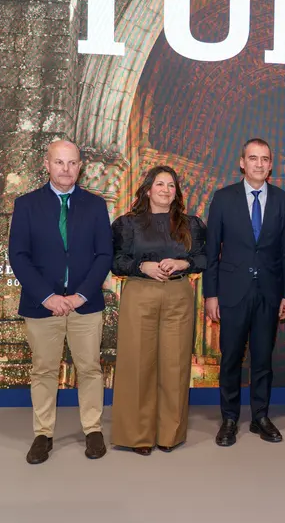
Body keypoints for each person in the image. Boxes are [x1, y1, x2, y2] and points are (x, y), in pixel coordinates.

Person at [8, 140, 113, 465]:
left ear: (80, 166)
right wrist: (48, 296)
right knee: (44, 370)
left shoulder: (96, 205)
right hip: (42, 305)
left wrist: (80, 295)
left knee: (90, 369)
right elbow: (19, 256)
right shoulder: (26, 205)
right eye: (59, 162)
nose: (65, 169)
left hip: (86, 304)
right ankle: (43, 434)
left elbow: (104, 255)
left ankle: (93, 429)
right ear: (47, 164)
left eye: (71, 163)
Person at [203, 138, 285, 447]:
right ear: (242, 162)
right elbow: (211, 250)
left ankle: (260, 417)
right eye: (252, 158)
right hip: (232, 293)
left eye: (265, 159)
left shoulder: (284, 201)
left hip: (269, 293)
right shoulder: (223, 198)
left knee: (262, 359)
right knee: (230, 357)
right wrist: (211, 295)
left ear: (271, 165)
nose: (258, 163)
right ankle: (229, 418)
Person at [110, 166, 207, 455]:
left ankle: (169, 433)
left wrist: (183, 264)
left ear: (177, 192)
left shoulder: (191, 224)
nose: (165, 190)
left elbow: (203, 257)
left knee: (174, 365)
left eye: (171, 186)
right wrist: (142, 266)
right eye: (160, 184)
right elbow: (115, 261)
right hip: (140, 293)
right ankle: (138, 436)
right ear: (148, 189)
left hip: (178, 294)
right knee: (138, 364)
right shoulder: (127, 224)